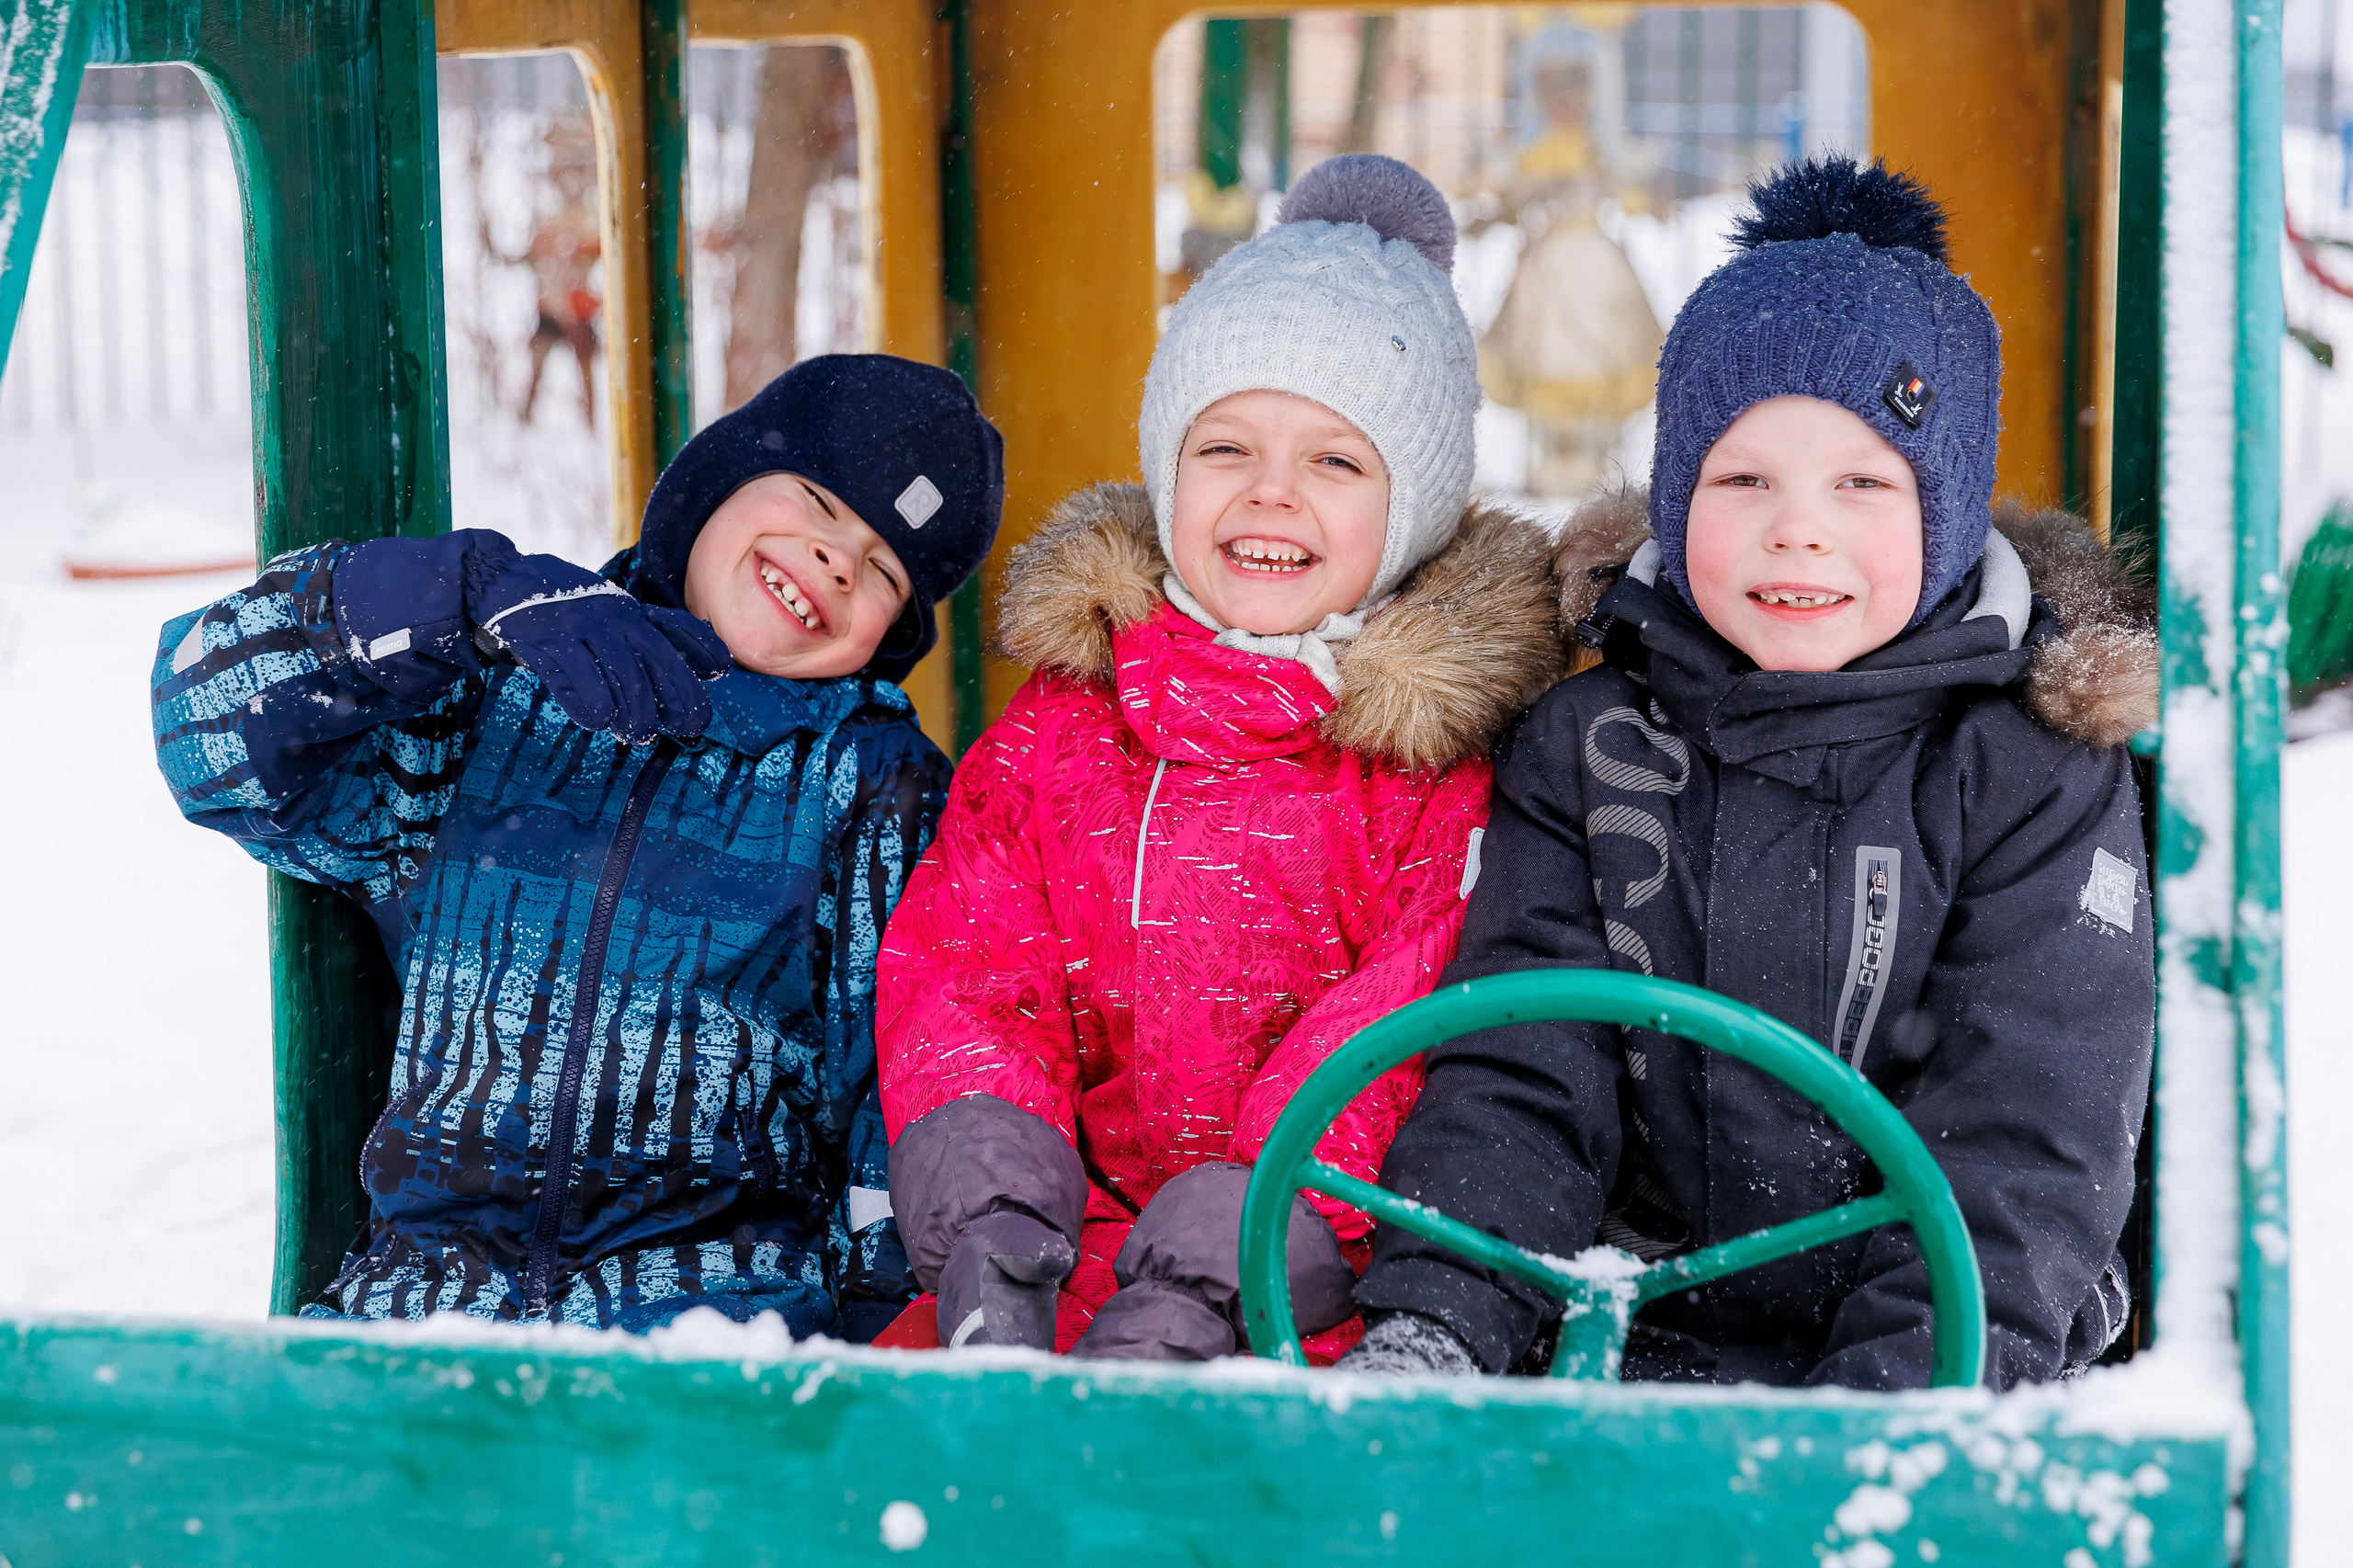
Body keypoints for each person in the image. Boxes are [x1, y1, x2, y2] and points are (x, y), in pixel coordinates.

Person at [1340, 157, 2160, 1390]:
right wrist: (1444, 1318)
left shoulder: (2027, 771)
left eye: (1862, 483)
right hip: (1635, 1338)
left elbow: (2028, 1143)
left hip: (1953, 1360)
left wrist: (1889, 1412)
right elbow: (1525, 1070)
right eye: (1743, 480)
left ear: (1944, 515)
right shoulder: (1590, 745)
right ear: (1674, 496)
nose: (1799, 528)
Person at [151, 355, 1002, 1336]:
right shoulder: (498, 701)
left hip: (706, 1331)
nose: (836, 560)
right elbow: (208, 741)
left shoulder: (870, 788)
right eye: (815, 501)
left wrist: (868, 1349)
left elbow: (890, 1106)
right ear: (717, 476)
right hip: (426, 1309)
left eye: (884, 569)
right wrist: (450, 602)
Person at [874, 155, 1564, 1361]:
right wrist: (992, 1214)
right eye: (1226, 448)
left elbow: (1390, 1045)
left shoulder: (1433, 771)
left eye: (1337, 463)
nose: (1272, 494)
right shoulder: (1064, 724)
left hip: (1305, 1288)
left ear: (1415, 509)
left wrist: (1212, 1270)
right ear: (1165, 465)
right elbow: (971, 968)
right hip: (1047, 1261)